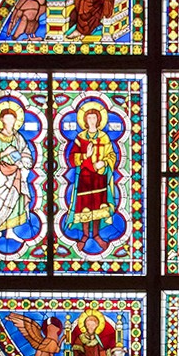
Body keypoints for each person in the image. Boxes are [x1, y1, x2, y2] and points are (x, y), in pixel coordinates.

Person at [63, 101, 118, 253]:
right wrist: (85, 156)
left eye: (94, 118)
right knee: (85, 207)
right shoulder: (80, 138)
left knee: (98, 207)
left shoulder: (104, 137)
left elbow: (112, 155)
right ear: (85, 120)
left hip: (99, 178)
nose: (92, 120)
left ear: (98, 120)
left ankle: (97, 235)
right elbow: (72, 158)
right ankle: (85, 235)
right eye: (89, 118)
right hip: (85, 178)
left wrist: (105, 163)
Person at [0, 100, 36, 248]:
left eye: (12, 119)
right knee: (0, 204)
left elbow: (27, 154)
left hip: (16, 174)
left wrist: (23, 162)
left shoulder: (18, 138)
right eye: (7, 118)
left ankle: (10, 232)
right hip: (1, 176)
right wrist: (4, 153)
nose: (10, 121)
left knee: (15, 204)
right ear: (2, 120)